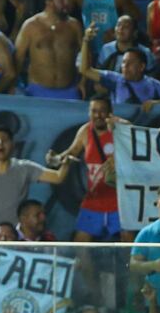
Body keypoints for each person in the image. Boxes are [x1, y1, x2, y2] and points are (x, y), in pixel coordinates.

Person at [0, 126, 73, 239]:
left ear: (13, 145)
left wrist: (66, 162)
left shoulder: (25, 168)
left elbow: (58, 177)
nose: (0, 143)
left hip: (16, 235)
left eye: (4, 140)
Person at [47, 95, 127, 242]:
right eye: (94, 111)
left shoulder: (122, 127)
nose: (98, 115)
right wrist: (55, 159)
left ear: (111, 112)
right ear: (89, 112)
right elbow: (71, 152)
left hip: (120, 201)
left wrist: (123, 127)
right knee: (80, 247)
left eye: (102, 111)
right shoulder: (85, 131)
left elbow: (140, 144)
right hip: (94, 200)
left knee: (129, 245)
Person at [79, 26, 160, 108]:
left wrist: (157, 103)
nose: (125, 66)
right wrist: (86, 41)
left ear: (141, 67)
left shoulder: (153, 84)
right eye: (123, 62)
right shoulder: (115, 80)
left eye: (130, 63)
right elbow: (85, 70)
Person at [14, 0, 83, 100]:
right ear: (49, 1)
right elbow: (18, 59)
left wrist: (83, 82)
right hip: (38, 90)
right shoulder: (30, 26)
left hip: (69, 90)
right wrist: (14, 85)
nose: (67, 3)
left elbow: (86, 56)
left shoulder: (74, 26)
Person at [67, 0, 140, 53]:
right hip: (88, 46)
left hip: (114, 48)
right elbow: (64, 18)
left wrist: (117, 32)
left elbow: (136, 18)